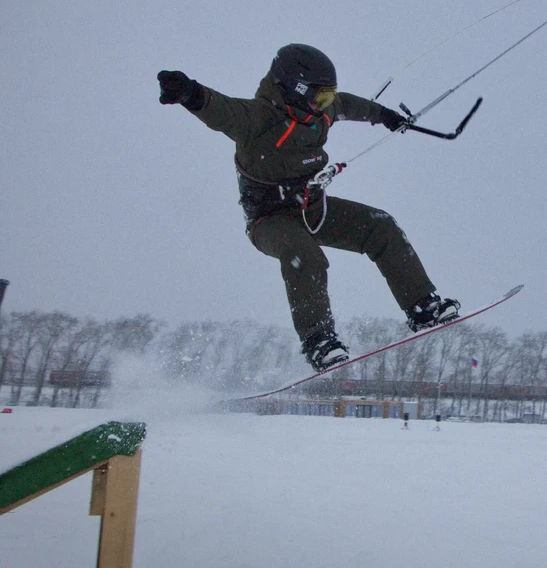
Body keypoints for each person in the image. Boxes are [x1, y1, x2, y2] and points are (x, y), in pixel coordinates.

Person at [157, 44, 459, 372]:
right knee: (307, 255)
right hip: (269, 220)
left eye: (327, 97)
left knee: (380, 226)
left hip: (313, 209)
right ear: (295, 91)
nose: (325, 106)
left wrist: (384, 116)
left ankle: (422, 307)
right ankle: (319, 341)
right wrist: (188, 92)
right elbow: (220, 109)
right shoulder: (258, 119)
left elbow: (347, 104)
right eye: (320, 98)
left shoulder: (321, 111)